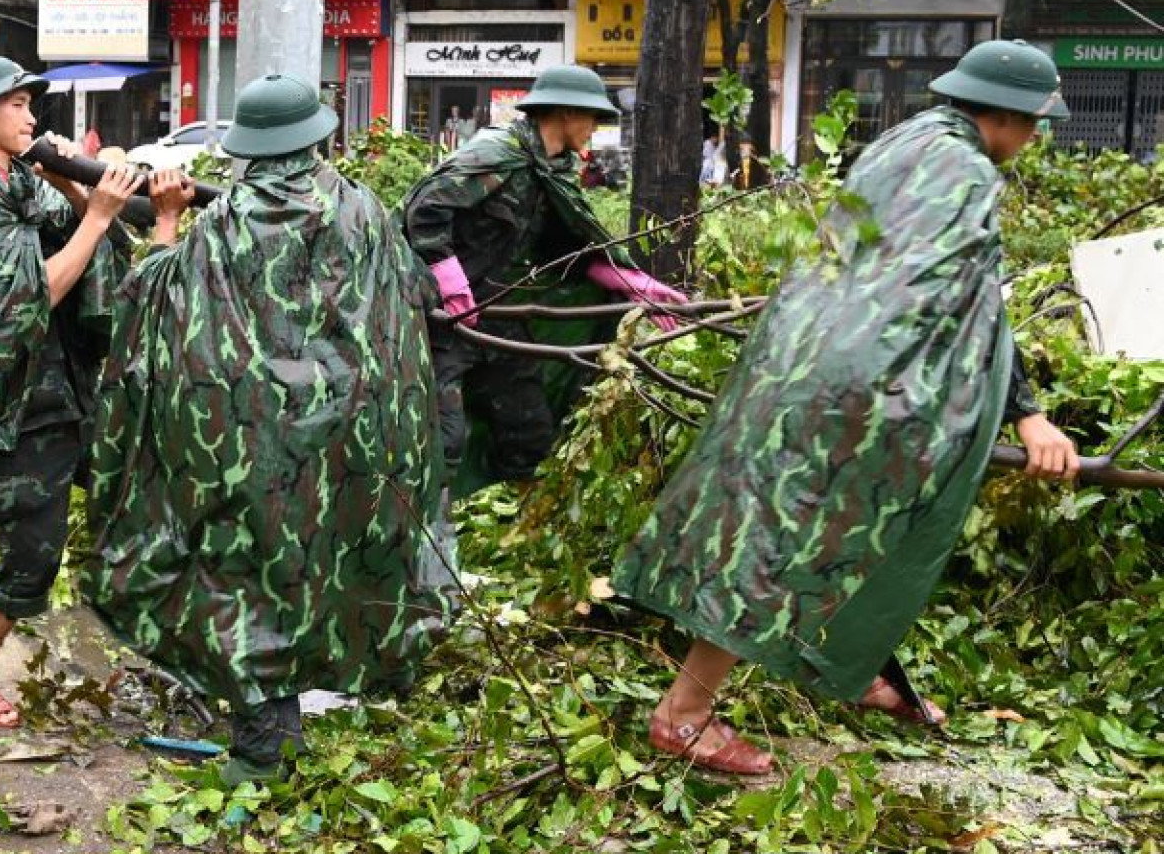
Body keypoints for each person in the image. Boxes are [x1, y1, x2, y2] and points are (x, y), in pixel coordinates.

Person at [613, 39, 1082, 776]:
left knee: (819, 526)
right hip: (863, 388)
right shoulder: (962, 172)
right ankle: (683, 717)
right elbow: (974, 303)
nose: (1034, 138)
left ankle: (854, 665)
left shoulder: (904, 142)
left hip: (804, 357)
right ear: (1010, 114)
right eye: (1035, 122)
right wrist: (1028, 412)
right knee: (787, 540)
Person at [84, 74, 455, 784]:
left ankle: (265, 744)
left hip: (253, 436)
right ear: (315, 137)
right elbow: (411, 294)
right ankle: (351, 676)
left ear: (250, 149)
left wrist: (164, 224)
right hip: (353, 429)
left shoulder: (229, 222)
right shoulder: (364, 210)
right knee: (335, 555)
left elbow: (150, 300)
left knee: (248, 571)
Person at [0, 56, 140, 728]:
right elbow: (33, 294)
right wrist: (97, 216)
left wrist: (80, 195)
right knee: (31, 554)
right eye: (17, 104)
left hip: (68, 387)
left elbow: (99, 252)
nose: (31, 116)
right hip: (18, 406)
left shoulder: (18, 182)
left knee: (138, 494)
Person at [402, 65, 687, 491]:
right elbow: (424, 210)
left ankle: (504, 528)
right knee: (441, 440)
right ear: (568, 113)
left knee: (530, 433)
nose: (594, 129)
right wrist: (447, 276)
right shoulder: (500, 154)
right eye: (592, 117)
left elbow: (564, 248)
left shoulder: (552, 171)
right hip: (440, 323)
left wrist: (633, 282)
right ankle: (427, 536)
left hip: (498, 315)